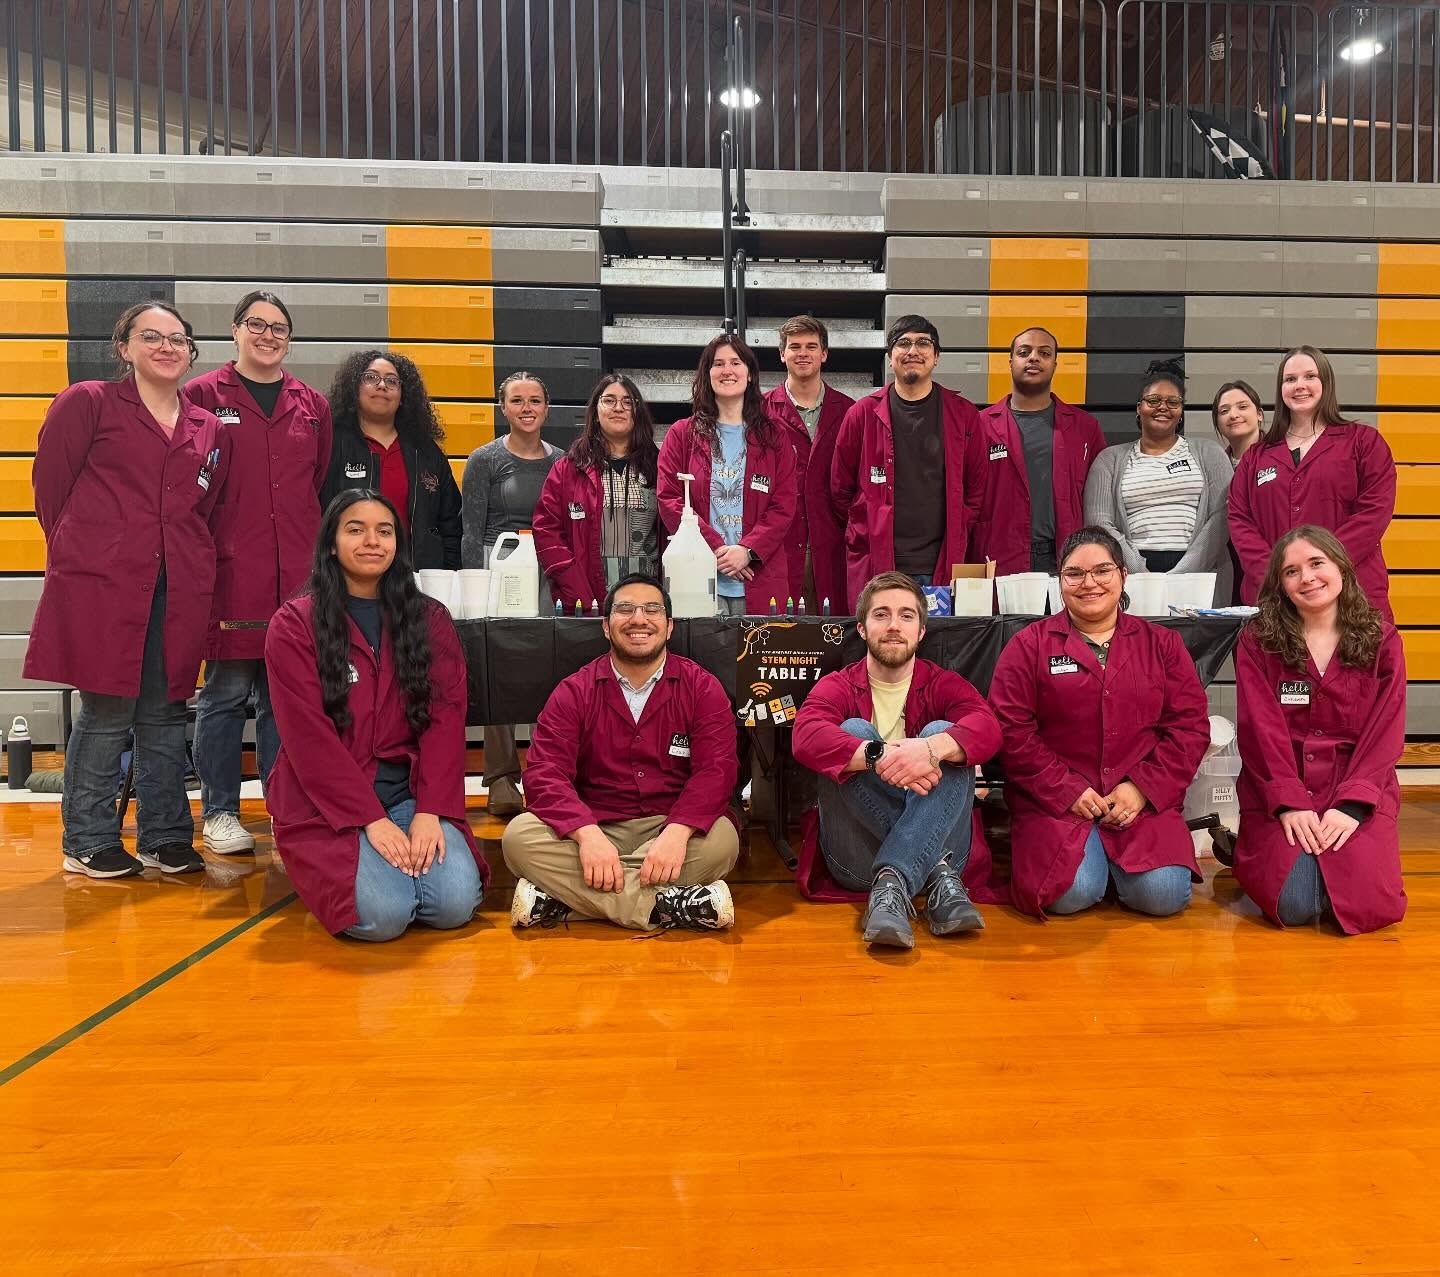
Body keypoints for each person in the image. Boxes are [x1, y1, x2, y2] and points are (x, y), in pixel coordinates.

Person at [26, 302, 231, 878]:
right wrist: (89, 551)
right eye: (152, 337)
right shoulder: (88, 402)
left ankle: (164, 835)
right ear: (125, 348)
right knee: (107, 710)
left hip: (178, 586)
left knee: (167, 710)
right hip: (106, 583)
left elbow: (202, 506)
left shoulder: (207, 426)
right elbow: (51, 491)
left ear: (190, 351)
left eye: (178, 338)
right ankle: (88, 839)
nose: (167, 347)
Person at [264, 491, 487, 941]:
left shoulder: (430, 619)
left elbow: (444, 721)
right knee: (384, 917)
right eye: (355, 530)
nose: (372, 541)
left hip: (407, 794)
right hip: (328, 805)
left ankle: (392, 869)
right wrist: (372, 821)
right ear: (331, 543)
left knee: (454, 904)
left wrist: (431, 810)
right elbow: (309, 741)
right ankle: (358, 872)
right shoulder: (293, 625)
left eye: (384, 532)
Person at [988, 527, 1211, 919]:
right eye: (1074, 573)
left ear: (1123, 576)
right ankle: (1096, 866)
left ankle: (1110, 865)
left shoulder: (1163, 645)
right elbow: (1012, 731)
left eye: (1102, 571)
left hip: (1138, 803)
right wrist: (1068, 789)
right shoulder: (1029, 646)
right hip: (1056, 802)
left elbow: (1189, 729)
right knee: (1070, 894)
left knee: (1163, 896)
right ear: (1060, 582)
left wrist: (1141, 788)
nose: (1088, 583)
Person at [501, 574, 740, 932]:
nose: (638, 619)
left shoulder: (701, 688)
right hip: (595, 825)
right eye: (625, 609)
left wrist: (676, 833)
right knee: (518, 838)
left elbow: (717, 770)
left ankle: (564, 900)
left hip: (668, 825)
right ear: (606, 626)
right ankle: (667, 907)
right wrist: (586, 835)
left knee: (722, 841)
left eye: (652, 610)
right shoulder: (574, 691)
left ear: (670, 626)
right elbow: (543, 773)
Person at [183, 290, 333, 856]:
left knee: (284, 698)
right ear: (235, 330)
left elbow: (315, 481)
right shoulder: (201, 395)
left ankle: (283, 808)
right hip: (231, 572)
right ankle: (220, 811)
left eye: (279, 328)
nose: (268, 335)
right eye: (257, 325)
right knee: (224, 695)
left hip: (297, 575)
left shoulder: (312, 404)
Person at [791, 571, 1001, 949]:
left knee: (944, 731)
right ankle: (933, 869)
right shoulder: (839, 684)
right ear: (861, 627)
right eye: (881, 614)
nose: (893, 626)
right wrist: (877, 755)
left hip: (917, 859)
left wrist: (931, 749)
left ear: (921, 631)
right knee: (854, 731)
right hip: (857, 859)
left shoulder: (943, 683)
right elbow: (804, 736)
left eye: (906, 616)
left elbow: (988, 729)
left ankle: (891, 882)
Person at [1231, 526, 1405, 934]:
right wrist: (1288, 801)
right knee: (1293, 903)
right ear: (1281, 585)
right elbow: (1260, 731)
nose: (1306, 577)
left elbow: (1386, 732)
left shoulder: (1382, 640)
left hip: (1359, 785)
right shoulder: (1258, 642)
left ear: (1341, 567)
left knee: (1367, 905)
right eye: (1291, 571)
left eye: (1316, 564)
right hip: (1280, 783)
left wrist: (1352, 805)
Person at [830, 314, 985, 612]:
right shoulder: (861, 415)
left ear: (936, 357)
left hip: (940, 565)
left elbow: (975, 490)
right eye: (903, 343)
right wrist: (863, 528)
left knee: (936, 645)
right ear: (890, 358)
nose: (913, 350)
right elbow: (840, 489)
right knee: (881, 646)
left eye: (923, 343)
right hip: (877, 562)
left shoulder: (964, 415)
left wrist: (960, 528)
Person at [1229, 346, 1396, 619]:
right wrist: (1279, 574)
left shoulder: (1364, 442)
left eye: (1310, 376)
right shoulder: (1255, 458)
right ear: (1280, 388)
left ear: (1326, 383)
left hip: (1352, 595)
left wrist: (1319, 567)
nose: (1300, 386)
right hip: (1275, 600)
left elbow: (1374, 512)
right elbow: (1239, 520)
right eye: (1290, 379)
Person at [460, 371, 562, 817]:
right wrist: (473, 584)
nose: (526, 408)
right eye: (517, 400)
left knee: (546, 667)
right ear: (503, 408)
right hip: (496, 562)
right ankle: (501, 776)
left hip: (547, 566)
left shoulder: (562, 459)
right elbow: (470, 528)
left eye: (534, 400)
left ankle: (546, 773)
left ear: (546, 407)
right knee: (497, 666)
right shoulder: (484, 459)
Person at [656, 335, 796, 616]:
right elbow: (669, 499)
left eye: (735, 362)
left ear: (750, 374)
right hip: (696, 575)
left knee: (756, 657)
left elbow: (784, 504)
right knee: (698, 657)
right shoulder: (682, 434)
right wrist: (718, 550)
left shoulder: (774, 436)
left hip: (758, 574)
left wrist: (747, 550)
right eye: (718, 364)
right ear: (707, 375)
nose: (727, 370)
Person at [1083, 358, 1233, 602]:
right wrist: (1141, 573)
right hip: (1131, 576)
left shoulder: (1210, 453)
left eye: (1173, 402)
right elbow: (1099, 523)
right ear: (1138, 408)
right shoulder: (1109, 460)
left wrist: (1184, 573)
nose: (1163, 407)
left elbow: (1223, 516)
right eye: (1153, 401)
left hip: (1201, 574)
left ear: (1181, 412)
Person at [968, 327, 1105, 574]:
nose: (1034, 358)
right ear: (1011, 362)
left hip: (1066, 555)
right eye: (1024, 352)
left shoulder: (1085, 427)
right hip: (997, 554)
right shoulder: (980, 425)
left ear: (1054, 364)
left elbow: (1099, 500)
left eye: (1044, 353)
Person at [532, 373, 663, 609]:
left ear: (637, 411)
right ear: (595, 410)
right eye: (609, 400)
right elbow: (546, 530)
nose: (618, 408)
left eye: (627, 401)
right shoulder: (569, 468)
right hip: (586, 598)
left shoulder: (659, 466)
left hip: (646, 599)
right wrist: (576, 588)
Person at [321, 349, 461, 570]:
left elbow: (451, 524)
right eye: (371, 378)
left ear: (403, 395)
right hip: (345, 578)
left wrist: (449, 575)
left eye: (392, 381)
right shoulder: (331, 444)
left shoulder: (426, 452)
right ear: (354, 388)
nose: (382, 385)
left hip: (413, 580)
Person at [761, 316, 856, 608]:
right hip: (779, 543)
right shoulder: (760, 411)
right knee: (780, 635)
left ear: (824, 354)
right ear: (782, 354)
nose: (803, 353)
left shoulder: (850, 411)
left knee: (833, 632)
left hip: (832, 540)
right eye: (795, 346)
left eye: (812, 346)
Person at [1211, 379, 1264, 465]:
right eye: (1224, 411)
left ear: (1259, 414)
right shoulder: (1214, 465)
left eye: (1242, 407)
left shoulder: (1280, 454)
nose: (1233, 415)